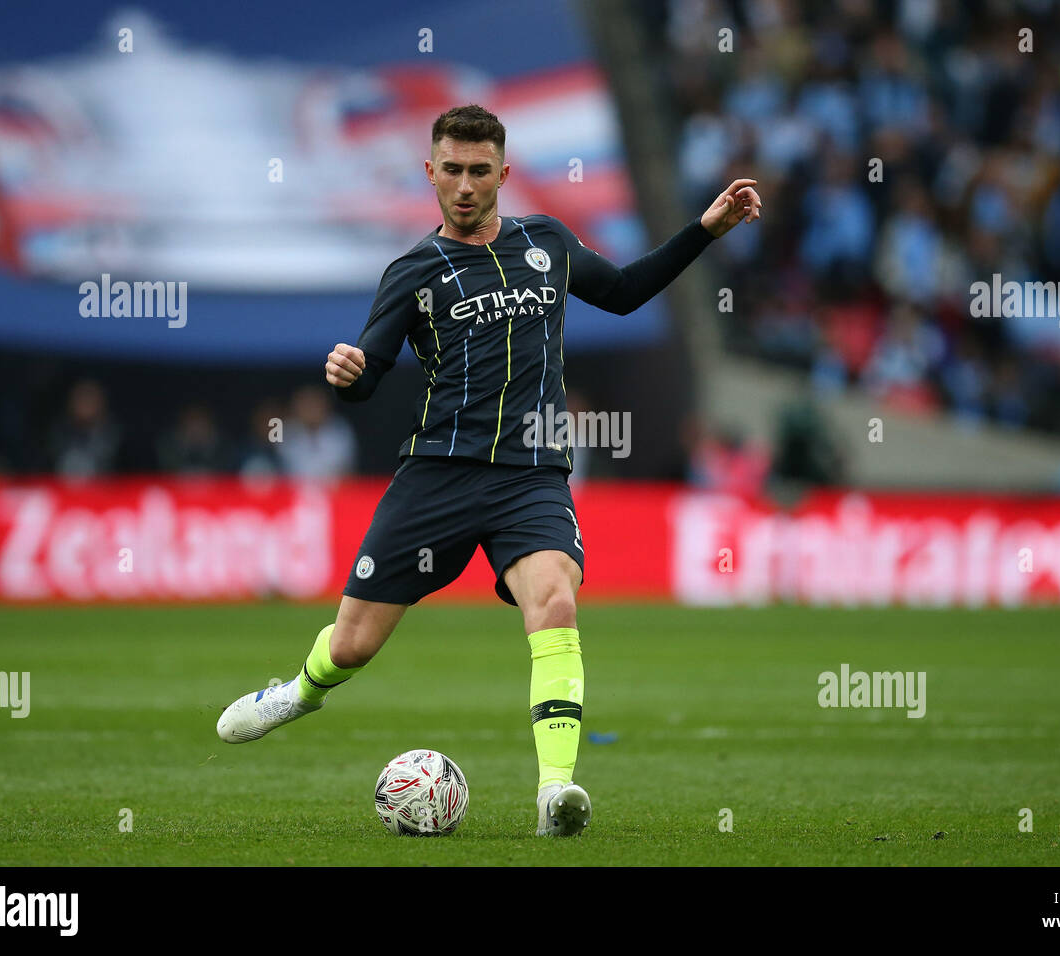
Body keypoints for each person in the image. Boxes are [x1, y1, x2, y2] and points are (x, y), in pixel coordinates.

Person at [216, 104, 761, 836]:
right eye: (452, 171)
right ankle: (301, 691)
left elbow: (625, 293)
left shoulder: (547, 242)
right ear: (431, 174)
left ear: (504, 174)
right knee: (353, 644)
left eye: (480, 172)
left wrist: (705, 230)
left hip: (530, 475)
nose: (465, 186)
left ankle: (555, 793)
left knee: (555, 603)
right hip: (437, 474)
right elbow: (370, 374)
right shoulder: (412, 271)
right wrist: (347, 374)